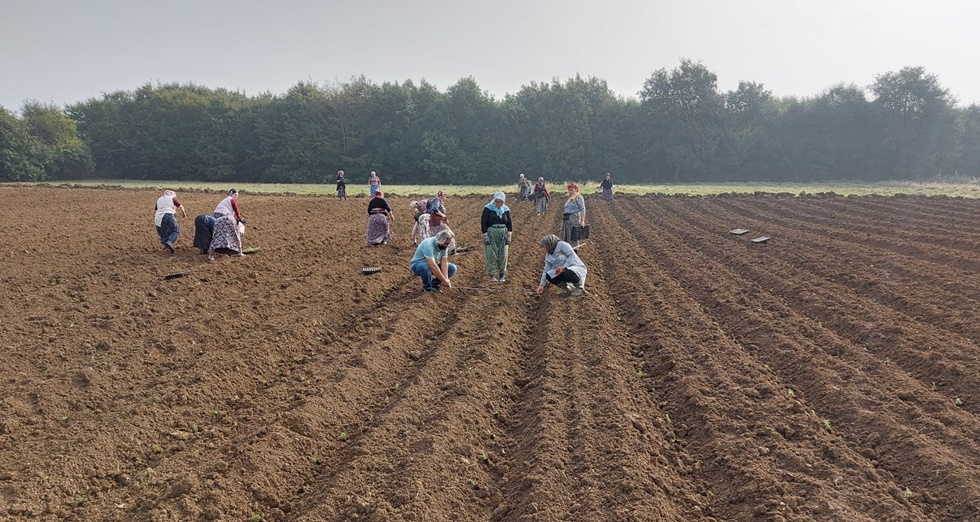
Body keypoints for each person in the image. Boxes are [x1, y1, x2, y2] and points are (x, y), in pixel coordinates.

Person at [481, 191, 513, 283]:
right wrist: (485, 235)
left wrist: (509, 236)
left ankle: (502, 275)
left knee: (503, 255)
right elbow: (483, 222)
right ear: (494, 201)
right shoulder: (488, 209)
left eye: (501, 202)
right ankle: (492, 275)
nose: (499, 204)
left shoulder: (506, 210)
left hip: (503, 234)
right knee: (491, 254)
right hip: (491, 234)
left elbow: (509, 224)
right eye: (497, 202)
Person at [562, 182, 587, 246]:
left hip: (574, 218)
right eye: (569, 190)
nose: (570, 191)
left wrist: (582, 221)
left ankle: (574, 251)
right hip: (567, 219)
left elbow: (582, 209)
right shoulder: (570, 198)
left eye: (571, 190)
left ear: (576, 189)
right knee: (567, 235)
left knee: (573, 235)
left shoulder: (579, 197)